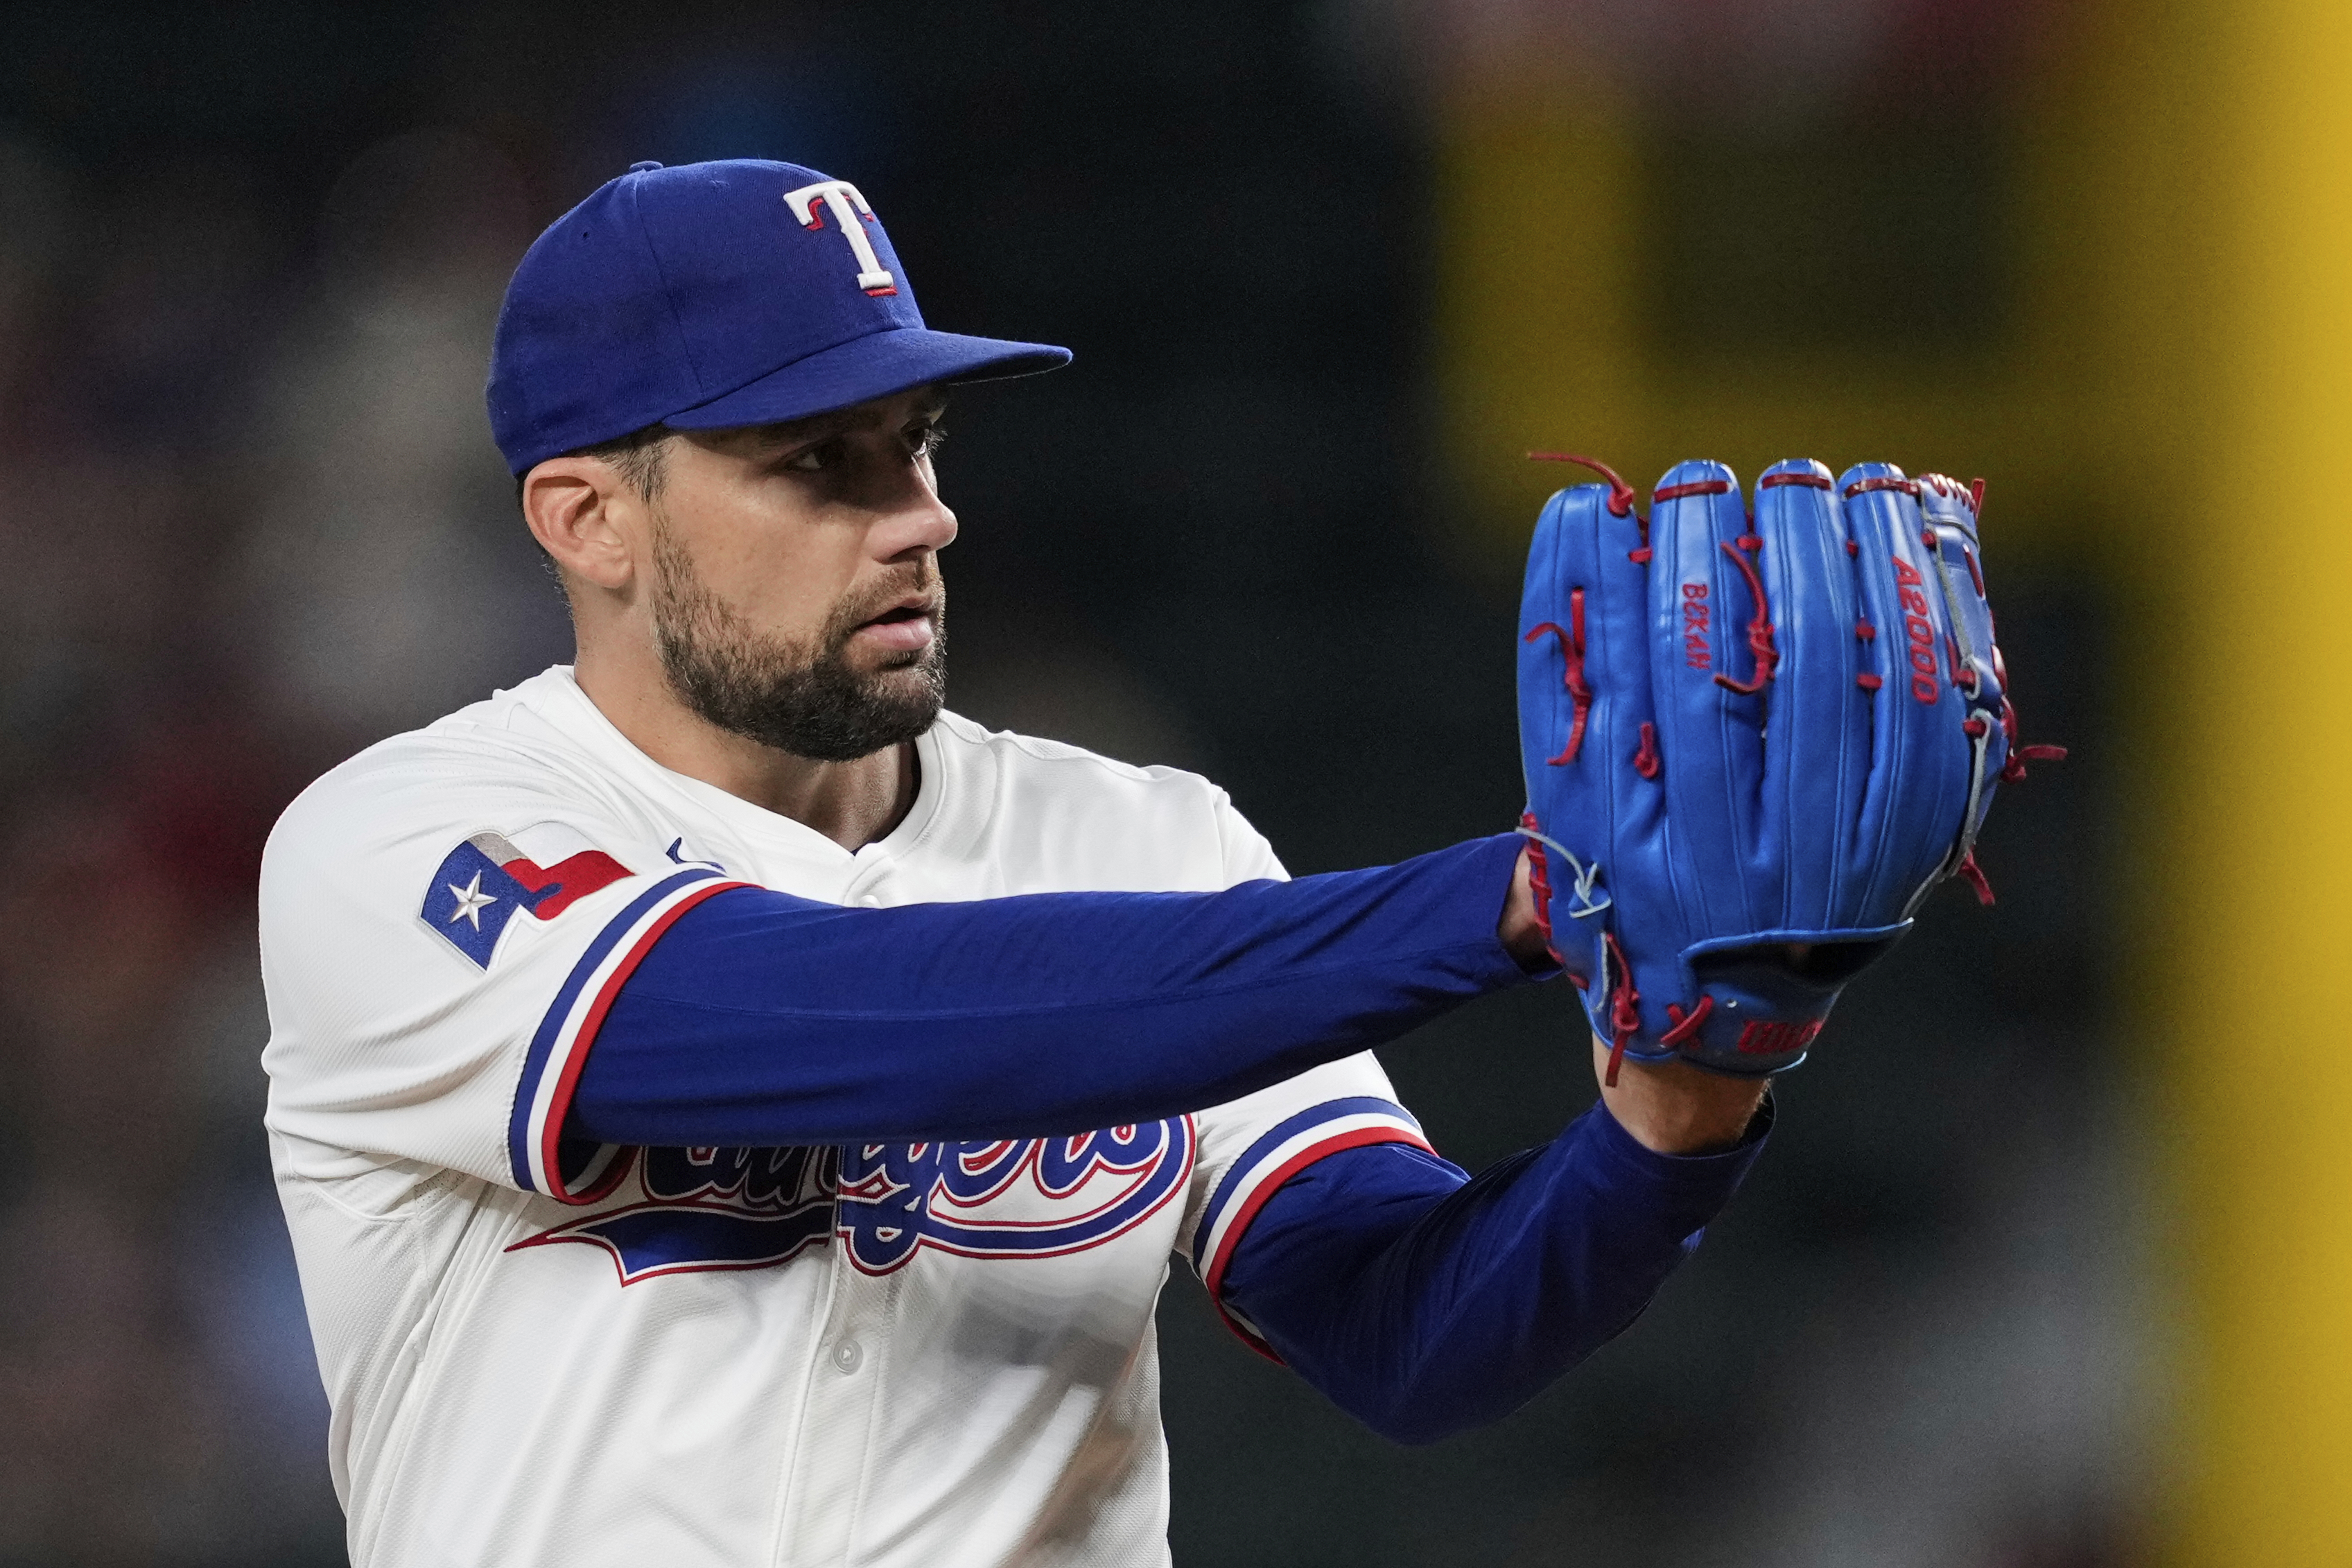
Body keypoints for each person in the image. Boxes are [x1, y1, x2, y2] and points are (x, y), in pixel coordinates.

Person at [261, 159, 1769, 1567]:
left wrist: (1678, 1119)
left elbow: (1404, 1335)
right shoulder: (404, 847)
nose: (920, 515)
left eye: (913, 443)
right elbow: (866, 1014)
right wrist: (1516, 895)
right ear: (591, 519)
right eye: (816, 463)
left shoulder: (1143, 841)